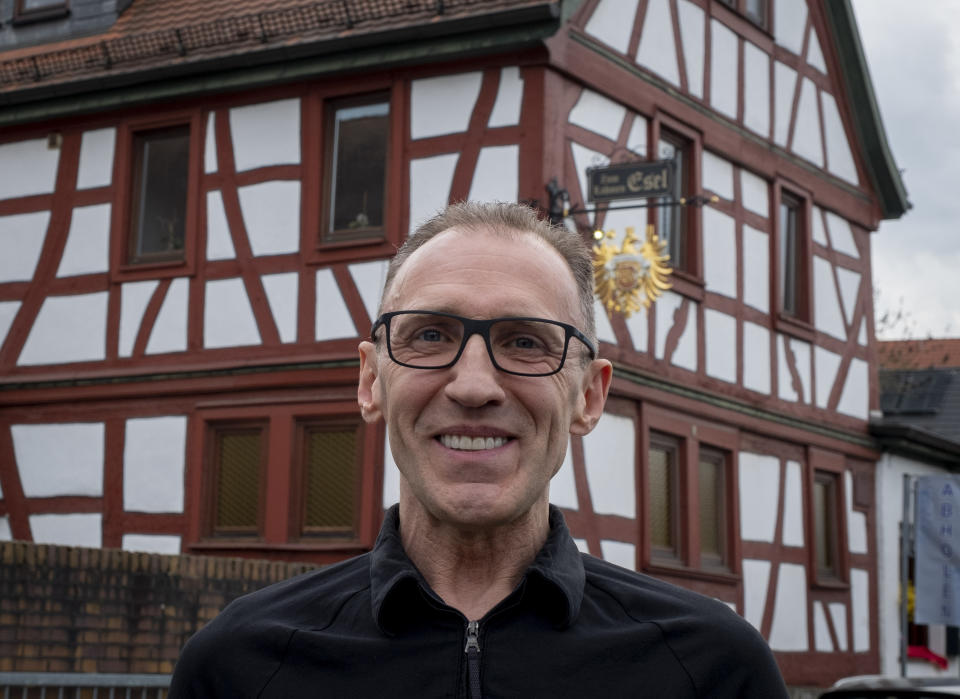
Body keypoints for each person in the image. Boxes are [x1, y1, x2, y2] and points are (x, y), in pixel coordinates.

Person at [169, 201, 788, 697]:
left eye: (525, 342)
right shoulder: (237, 668)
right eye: (430, 335)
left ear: (589, 397)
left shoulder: (710, 669)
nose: (472, 386)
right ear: (369, 382)